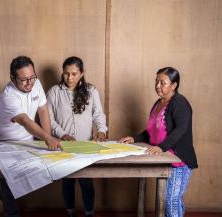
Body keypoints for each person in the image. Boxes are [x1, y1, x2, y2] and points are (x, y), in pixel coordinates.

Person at [119, 67, 198, 217]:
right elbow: (152, 132)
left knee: (171, 202)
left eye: (163, 83)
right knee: (171, 201)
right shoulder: (158, 103)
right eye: (156, 81)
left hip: (178, 160)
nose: (158, 86)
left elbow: (180, 130)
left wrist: (161, 147)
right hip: (164, 158)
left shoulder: (180, 103)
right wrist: (134, 138)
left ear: (174, 85)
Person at [0, 55, 61, 217]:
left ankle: (6, 195)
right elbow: (24, 120)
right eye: (24, 80)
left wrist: (48, 137)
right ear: (12, 78)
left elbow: (43, 109)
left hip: (28, 140)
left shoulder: (34, 83)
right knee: (8, 181)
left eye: (32, 77)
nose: (30, 83)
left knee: (24, 181)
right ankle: (11, 212)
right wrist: (47, 138)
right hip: (5, 142)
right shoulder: (7, 96)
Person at [47, 56, 108, 217]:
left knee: (87, 182)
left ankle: (89, 213)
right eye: (66, 73)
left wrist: (101, 130)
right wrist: (63, 134)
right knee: (67, 181)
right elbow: (49, 119)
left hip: (86, 146)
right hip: (64, 147)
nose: (69, 78)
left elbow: (98, 114)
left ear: (81, 73)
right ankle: (70, 212)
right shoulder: (54, 92)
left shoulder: (91, 91)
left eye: (74, 74)